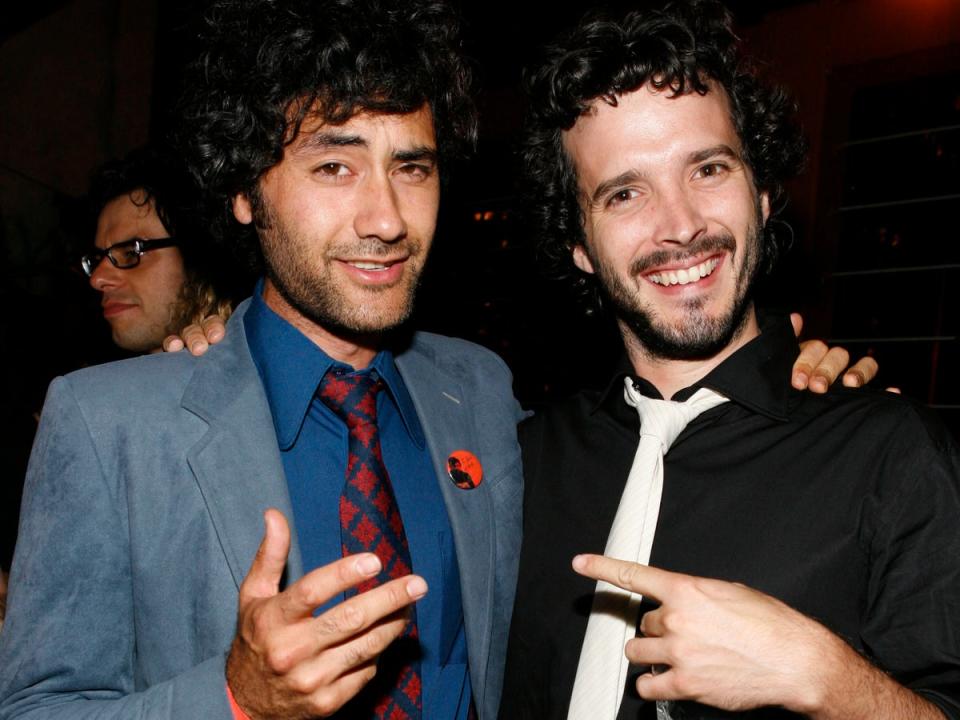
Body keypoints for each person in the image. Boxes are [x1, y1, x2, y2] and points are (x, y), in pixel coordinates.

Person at [0, 1, 523, 718]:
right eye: (335, 166)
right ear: (246, 191)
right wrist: (236, 699)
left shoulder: (481, 390)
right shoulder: (105, 424)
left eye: (411, 167)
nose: (387, 218)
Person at [499, 2, 960, 719]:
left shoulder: (894, 456)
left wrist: (825, 675)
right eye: (625, 192)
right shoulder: (519, 462)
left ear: (765, 192)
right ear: (580, 245)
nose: (680, 225)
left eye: (708, 168)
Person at [83, 145, 244, 353]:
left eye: (132, 251)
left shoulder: (255, 362)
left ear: (198, 259)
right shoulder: (106, 381)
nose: (97, 279)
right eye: (98, 258)